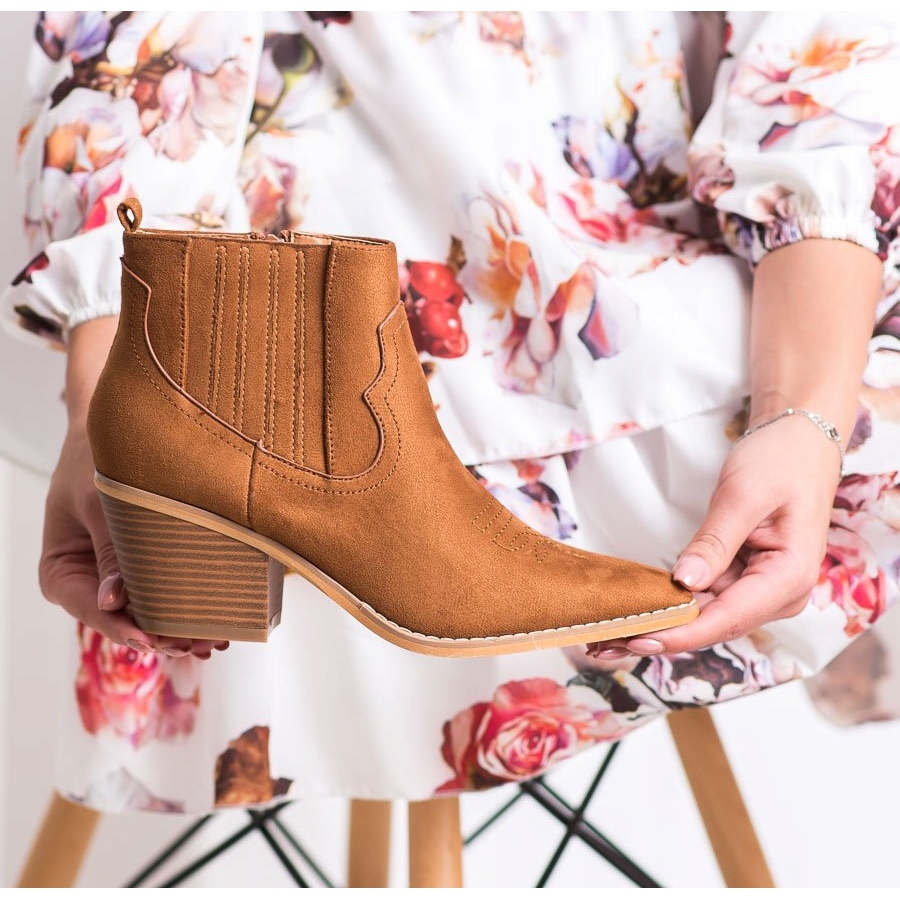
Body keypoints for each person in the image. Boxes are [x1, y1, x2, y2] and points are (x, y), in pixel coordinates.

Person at [2, 10, 898, 811]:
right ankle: (199, 421)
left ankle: (175, 427)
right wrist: (106, 384)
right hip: (276, 281)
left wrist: (802, 413)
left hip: (674, 275)